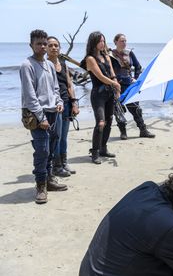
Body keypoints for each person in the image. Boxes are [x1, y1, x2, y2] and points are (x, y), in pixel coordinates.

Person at [20, 29, 68, 204]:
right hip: (35, 114)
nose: (42, 46)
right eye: (38, 43)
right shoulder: (27, 65)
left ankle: (49, 179)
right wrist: (42, 118)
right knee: (42, 150)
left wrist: (60, 101)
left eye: (44, 43)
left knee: (52, 147)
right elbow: (30, 96)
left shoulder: (48, 64)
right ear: (31, 45)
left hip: (53, 112)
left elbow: (55, 88)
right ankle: (40, 185)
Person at [80, 31, 121, 164]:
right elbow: (101, 77)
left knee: (109, 121)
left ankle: (103, 148)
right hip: (98, 94)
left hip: (110, 93)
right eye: (100, 41)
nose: (102, 43)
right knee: (101, 123)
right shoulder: (90, 59)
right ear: (93, 42)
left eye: (104, 41)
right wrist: (114, 83)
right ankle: (95, 152)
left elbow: (111, 73)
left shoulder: (106, 56)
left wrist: (116, 85)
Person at [109, 33, 155, 140]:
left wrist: (136, 78)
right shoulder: (110, 55)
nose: (124, 43)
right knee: (118, 109)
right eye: (121, 41)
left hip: (129, 85)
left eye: (125, 41)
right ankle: (123, 132)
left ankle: (143, 130)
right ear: (115, 42)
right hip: (116, 86)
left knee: (136, 108)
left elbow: (138, 66)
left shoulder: (130, 53)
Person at [46, 36, 79, 177]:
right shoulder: (45, 64)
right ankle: (56, 165)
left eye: (56, 45)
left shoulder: (63, 63)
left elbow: (69, 84)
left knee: (64, 136)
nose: (54, 47)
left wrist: (74, 103)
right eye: (51, 45)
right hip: (53, 105)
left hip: (66, 102)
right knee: (56, 136)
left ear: (59, 48)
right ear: (46, 48)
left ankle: (64, 162)